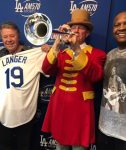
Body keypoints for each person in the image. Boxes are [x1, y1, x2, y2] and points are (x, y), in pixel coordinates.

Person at [41, 8, 106, 150]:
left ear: (87, 33)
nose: (75, 30)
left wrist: (77, 49)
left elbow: (96, 76)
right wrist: (56, 44)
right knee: (60, 146)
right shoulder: (62, 53)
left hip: (80, 111)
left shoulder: (97, 54)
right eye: (73, 27)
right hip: (59, 108)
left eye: (80, 28)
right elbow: (46, 69)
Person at [0, 21, 46, 150]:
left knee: (24, 146)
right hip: (4, 114)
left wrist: (47, 53)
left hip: (25, 114)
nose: (8, 40)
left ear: (18, 36)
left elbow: (50, 67)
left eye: (12, 36)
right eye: (5, 37)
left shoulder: (33, 54)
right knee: (4, 146)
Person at [98, 11, 126, 150]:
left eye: (125, 24)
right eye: (117, 25)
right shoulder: (109, 55)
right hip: (105, 129)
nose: (121, 28)